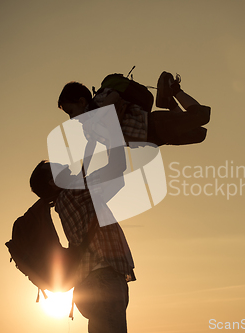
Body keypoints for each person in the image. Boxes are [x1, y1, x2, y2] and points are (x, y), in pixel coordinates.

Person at [30, 160, 134, 333]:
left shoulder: (69, 198)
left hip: (94, 281)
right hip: (102, 281)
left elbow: (117, 178)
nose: (63, 165)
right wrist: (112, 136)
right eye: (56, 168)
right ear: (52, 182)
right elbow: (116, 167)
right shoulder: (74, 193)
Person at [57, 71, 211, 146]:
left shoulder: (98, 101)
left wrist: (100, 116)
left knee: (201, 116)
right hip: (153, 139)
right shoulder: (89, 130)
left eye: (70, 111)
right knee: (199, 134)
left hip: (152, 124)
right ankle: (168, 102)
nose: (71, 118)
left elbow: (114, 95)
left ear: (82, 101)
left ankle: (173, 88)